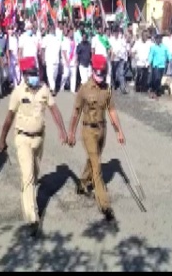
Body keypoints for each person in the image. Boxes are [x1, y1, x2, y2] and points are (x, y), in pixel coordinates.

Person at [0, 57, 67, 236]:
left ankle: (29, 194)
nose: (35, 76)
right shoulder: (18, 92)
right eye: (31, 74)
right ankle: (32, 218)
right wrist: (2, 138)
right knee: (28, 176)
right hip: (22, 139)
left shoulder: (44, 89)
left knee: (35, 174)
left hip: (39, 139)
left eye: (36, 73)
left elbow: (54, 109)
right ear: (24, 74)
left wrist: (62, 130)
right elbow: (9, 117)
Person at [67, 55, 126, 222]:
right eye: (97, 73)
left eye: (103, 73)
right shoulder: (84, 89)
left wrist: (119, 131)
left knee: (93, 159)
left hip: (102, 129)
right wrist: (71, 133)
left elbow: (112, 110)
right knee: (97, 166)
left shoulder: (107, 89)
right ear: (93, 71)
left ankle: (81, 183)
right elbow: (76, 112)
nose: (100, 77)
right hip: (88, 130)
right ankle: (105, 205)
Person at [41, 25, 62, 94]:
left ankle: (51, 88)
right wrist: (43, 58)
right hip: (49, 60)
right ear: (49, 30)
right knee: (50, 75)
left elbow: (59, 51)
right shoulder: (46, 38)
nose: (53, 30)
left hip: (56, 60)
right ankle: (53, 89)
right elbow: (43, 49)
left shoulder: (57, 39)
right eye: (52, 29)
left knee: (54, 76)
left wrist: (60, 59)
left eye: (54, 29)